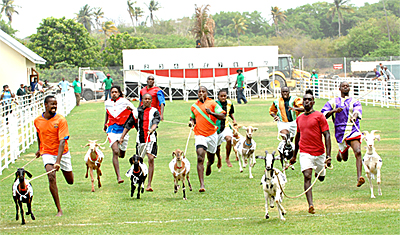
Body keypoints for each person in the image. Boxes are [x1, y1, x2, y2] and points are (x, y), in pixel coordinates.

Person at [290, 90, 331, 214]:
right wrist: (294, 156)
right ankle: (311, 205)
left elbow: (327, 135)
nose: (306, 101)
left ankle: (321, 173)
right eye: (305, 99)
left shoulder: (319, 116)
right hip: (305, 152)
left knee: (321, 177)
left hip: (319, 153)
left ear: (313, 102)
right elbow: (297, 137)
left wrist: (328, 156)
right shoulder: (299, 118)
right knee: (307, 176)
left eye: (309, 99)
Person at [34, 95, 74, 217]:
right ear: (45, 105)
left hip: (62, 153)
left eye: (56, 104)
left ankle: (64, 169)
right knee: (51, 176)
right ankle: (59, 210)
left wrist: (58, 161)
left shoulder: (61, 120)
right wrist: (39, 149)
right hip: (47, 153)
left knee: (70, 181)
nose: (54, 106)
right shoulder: (37, 121)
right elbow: (39, 134)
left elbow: (62, 142)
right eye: (52, 104)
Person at [321, 81, 364, 187]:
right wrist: (334, 111)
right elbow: (323, 114)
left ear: (349, 89)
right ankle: (340, 153)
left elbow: (358, 111)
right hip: (340, 132)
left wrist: (354, 116)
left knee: (358, 151)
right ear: (339, 89)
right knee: (344, 158)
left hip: (353, 130)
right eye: (343, 86)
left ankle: (359, 178)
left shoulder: (354, 101)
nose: (345, 87)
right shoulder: (333, 101)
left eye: (347, 86)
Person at [120, 93, 160, 191]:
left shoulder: (154, 111)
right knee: (138, 162)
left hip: (151, 139)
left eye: (148, 99)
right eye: (145, 99)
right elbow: (129, 124)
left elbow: (155, 122)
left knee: (151, 158)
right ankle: (139, 180)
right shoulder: (137, 112)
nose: (147, 101)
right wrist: (122, 137)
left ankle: (149, 184)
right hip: (140, 140)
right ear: (142, 100)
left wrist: (152, 129)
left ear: (151, 101)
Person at [189, 86, 225, 192]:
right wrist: (191, 122)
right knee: (200, 156)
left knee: (211, 158)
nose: (201, 93)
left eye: (203, 92)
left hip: (212, 134)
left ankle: (209, 165)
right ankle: (202, 185)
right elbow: (192, 117)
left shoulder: (213, 103)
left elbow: (223, 116)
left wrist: (212, 113)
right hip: (199, 134)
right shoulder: (194, 106)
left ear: (206, 93)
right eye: (199, 92)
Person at [104, 85, 137, 184]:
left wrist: (130, 109)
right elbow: (107, 112)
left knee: (121, 154)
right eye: (112, 92)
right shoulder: (107, 103)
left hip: (123, 129)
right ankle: (118, 176)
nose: (114, 94)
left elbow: (135, 111)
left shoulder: (124, 101)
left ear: (119, 93)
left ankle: (121, 151)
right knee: (115, 151)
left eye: (115, 92)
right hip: (111, 129)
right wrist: (105, 124)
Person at [215, 89, 236, 168]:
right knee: (217, 146)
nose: (223, 98)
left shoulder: (229, 103)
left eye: (225, 96)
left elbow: (230, 112)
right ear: (218, 96)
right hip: (216, 128)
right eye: (221, 96)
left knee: (229, 139)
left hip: (226, 126)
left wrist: (234, 119)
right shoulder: (215, 104)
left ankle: (227, 158)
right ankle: (219, 158)